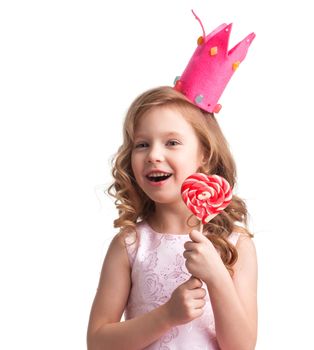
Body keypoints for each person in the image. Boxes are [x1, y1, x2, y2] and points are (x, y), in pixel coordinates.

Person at [86, 85, 258, 349]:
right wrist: (166, 316)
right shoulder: (130, 245)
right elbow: (98, 342)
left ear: (204, 154)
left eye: (172, 143)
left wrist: (217, 276)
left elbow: (241, 346)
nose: (154, 155)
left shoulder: (236, 244)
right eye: (142, 144)